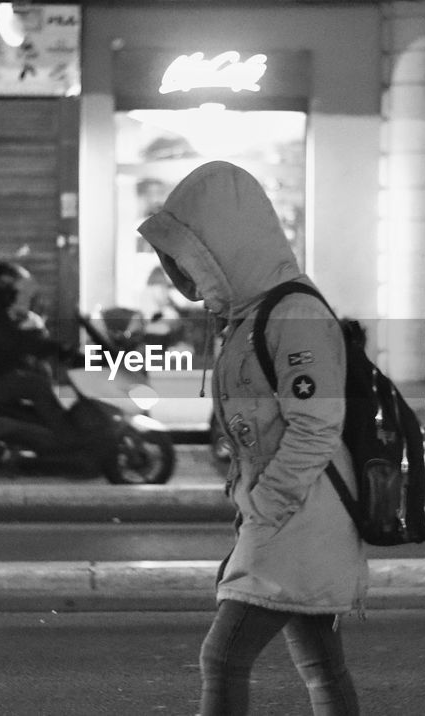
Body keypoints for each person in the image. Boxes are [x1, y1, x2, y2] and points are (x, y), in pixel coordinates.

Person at [137, 160, 365, 716]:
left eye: (192, 257)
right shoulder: (250, 315)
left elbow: (316, 425)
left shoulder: (295, 313)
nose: (185, 273)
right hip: (292, 512)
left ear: (225, 246)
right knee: (321, 664)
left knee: (224, 655)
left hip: (300, 514)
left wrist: (264, 505)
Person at [0, 262, 81, 451]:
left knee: (39, 376)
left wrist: (54, 348)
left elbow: (17, 342)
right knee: (38, 386)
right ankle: (67, 441)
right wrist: (57, 349)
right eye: (16, 290)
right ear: (4, 291)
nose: (20, 295)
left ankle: (37, 434)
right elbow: (16, 343)